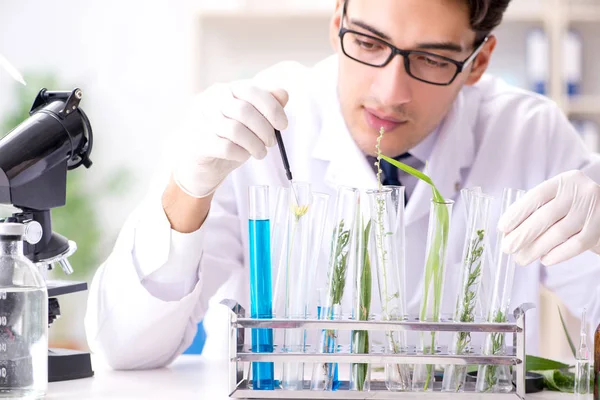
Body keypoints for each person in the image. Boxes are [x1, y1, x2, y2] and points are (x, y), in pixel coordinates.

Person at [85, 0, 600, 370]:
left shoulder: (529, 136)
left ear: (478, 62)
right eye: (369, 42)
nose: (389, 91)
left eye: (432, 59)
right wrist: (186, 188)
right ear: (338, 21)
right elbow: (125, 349)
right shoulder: (253, 123)